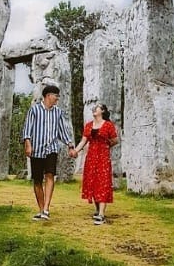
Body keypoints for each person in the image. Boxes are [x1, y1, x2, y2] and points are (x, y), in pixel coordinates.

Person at [22, 84, 75, 221]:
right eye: (56, 96)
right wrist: (28, 144)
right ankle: (41, 210)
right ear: (48, 96)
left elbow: (62, 130)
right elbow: (27, 128)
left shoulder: (58, 112)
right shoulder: (34, 110)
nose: (57, 99)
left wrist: (70, 144)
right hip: (37, 149)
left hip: (51, 149)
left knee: (50, 175)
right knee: (37, 180)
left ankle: (46, 208)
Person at [70, 103, 118, 225]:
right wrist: (76, 150)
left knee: (103, 183)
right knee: (93, 182)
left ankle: (101, 214)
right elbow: (84, 141)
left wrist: (105, 147)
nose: (94, 109)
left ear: (102, 111)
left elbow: (115, 140)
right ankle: (97, 210)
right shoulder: (89, 126)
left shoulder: (108, 125)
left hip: (103, 158)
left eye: (97, 107)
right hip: (91, 157)